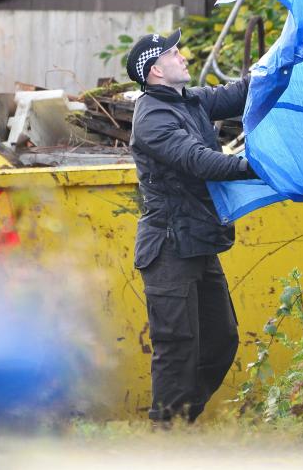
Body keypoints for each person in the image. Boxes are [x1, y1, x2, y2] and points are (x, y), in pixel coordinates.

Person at [125, 29, 258, 424]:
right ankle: (166, 435)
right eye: (172, 52)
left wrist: (279, 63)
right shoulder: (152, 119)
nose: (182, 56)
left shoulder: (188, 100)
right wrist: (256, 167)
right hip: (168, 248)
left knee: (221, 340)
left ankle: (179, 421)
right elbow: (198, 160)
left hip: (197, 241)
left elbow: (237, 94)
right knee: (178, 347)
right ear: (155, 72)